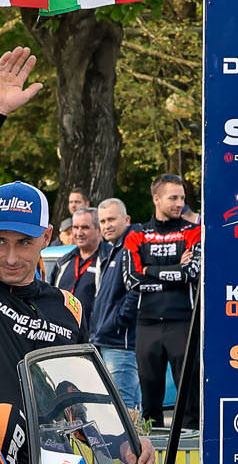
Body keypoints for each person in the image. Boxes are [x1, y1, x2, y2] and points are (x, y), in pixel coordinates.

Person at [0, 49, 150, 464]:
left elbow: (77, 400)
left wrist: (124, 443)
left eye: (24, 242)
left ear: (47, 237)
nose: (10, 256)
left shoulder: (66, 307)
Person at [121, 174, 200, 429]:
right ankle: (151, 451)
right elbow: (132, 280)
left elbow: (192, 273)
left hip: (183, 322)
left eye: (182, 198)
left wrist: (150, 270)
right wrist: (175, 270)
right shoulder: (137, 235)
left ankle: (190, 450)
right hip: (148, 323)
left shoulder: (193, 232)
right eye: (173, 198)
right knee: (150, 399)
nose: (180, 203)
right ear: (156, 199)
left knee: (189, 397)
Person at [91, 197, 143, 416]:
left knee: (123, 407)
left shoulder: (132, 245)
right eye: (102, 221)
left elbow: (138, 288)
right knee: (128, 407)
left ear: (126, 219)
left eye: (111, 219)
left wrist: (118, 323)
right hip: (110, 339)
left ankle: (131, 441)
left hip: (120, 342)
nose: (107, 226)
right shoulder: (116, 248)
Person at [50, 209, 101, 314]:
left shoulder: (107, 261)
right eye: (75, 227)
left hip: (92, 324)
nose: (79, 233)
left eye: (85, 227)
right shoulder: (63, 262)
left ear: (98, 229)